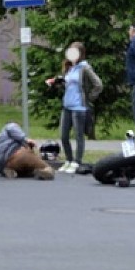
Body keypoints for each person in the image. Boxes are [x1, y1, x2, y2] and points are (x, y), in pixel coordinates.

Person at [56, 42, 103, 174]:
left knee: (78, 136)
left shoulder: (84, 67)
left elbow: (98, 84)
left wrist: (89, 98)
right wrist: (57, 83)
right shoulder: (69, 67)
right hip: (67, 105)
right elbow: (68, 85)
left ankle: (77, 161)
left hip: (79, 107)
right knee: (64, 135)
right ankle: (68, 160)